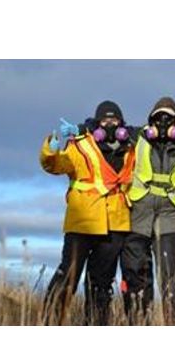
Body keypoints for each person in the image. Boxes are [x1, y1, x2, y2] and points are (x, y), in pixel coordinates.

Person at [40, 101, 135, 325]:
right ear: (96, 123)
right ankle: (49, 323)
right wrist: (51, 151)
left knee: (101, 284)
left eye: (114, 120)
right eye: (105, 120)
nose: (110, 124)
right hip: (82, 220)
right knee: (68, 275)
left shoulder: (131, 147)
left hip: (114, 223)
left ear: (122, 124)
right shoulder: (80, 143)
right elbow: (57, 165)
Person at [120, 97, 175, 325]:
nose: (162, 123)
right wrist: (84, 128)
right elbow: (109, 127)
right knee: (135, 271)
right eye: (157, 118)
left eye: (168, 118)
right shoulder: (138, 136)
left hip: (172, 212)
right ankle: (139, 322)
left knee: (171, 273)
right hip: (139, 211)